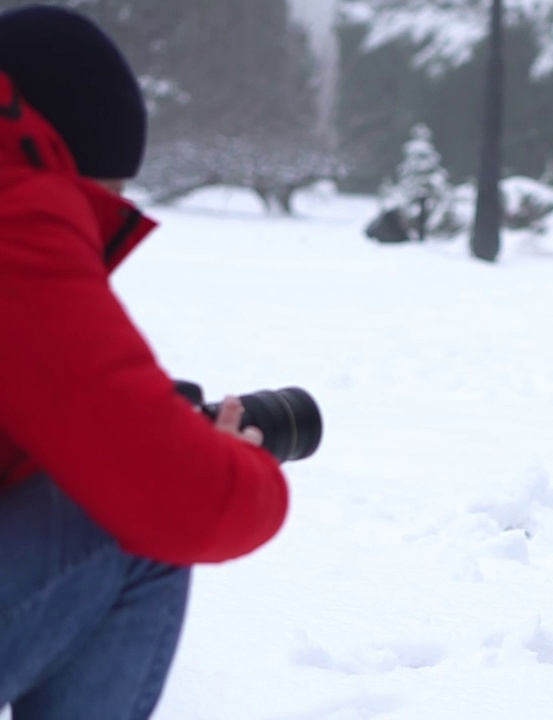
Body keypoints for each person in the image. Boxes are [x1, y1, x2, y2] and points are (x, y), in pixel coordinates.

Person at [0, 5, 290, 717]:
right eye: (110, 203)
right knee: (133, 526)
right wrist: (231, 456)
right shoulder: (18, 208)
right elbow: (180, 499)